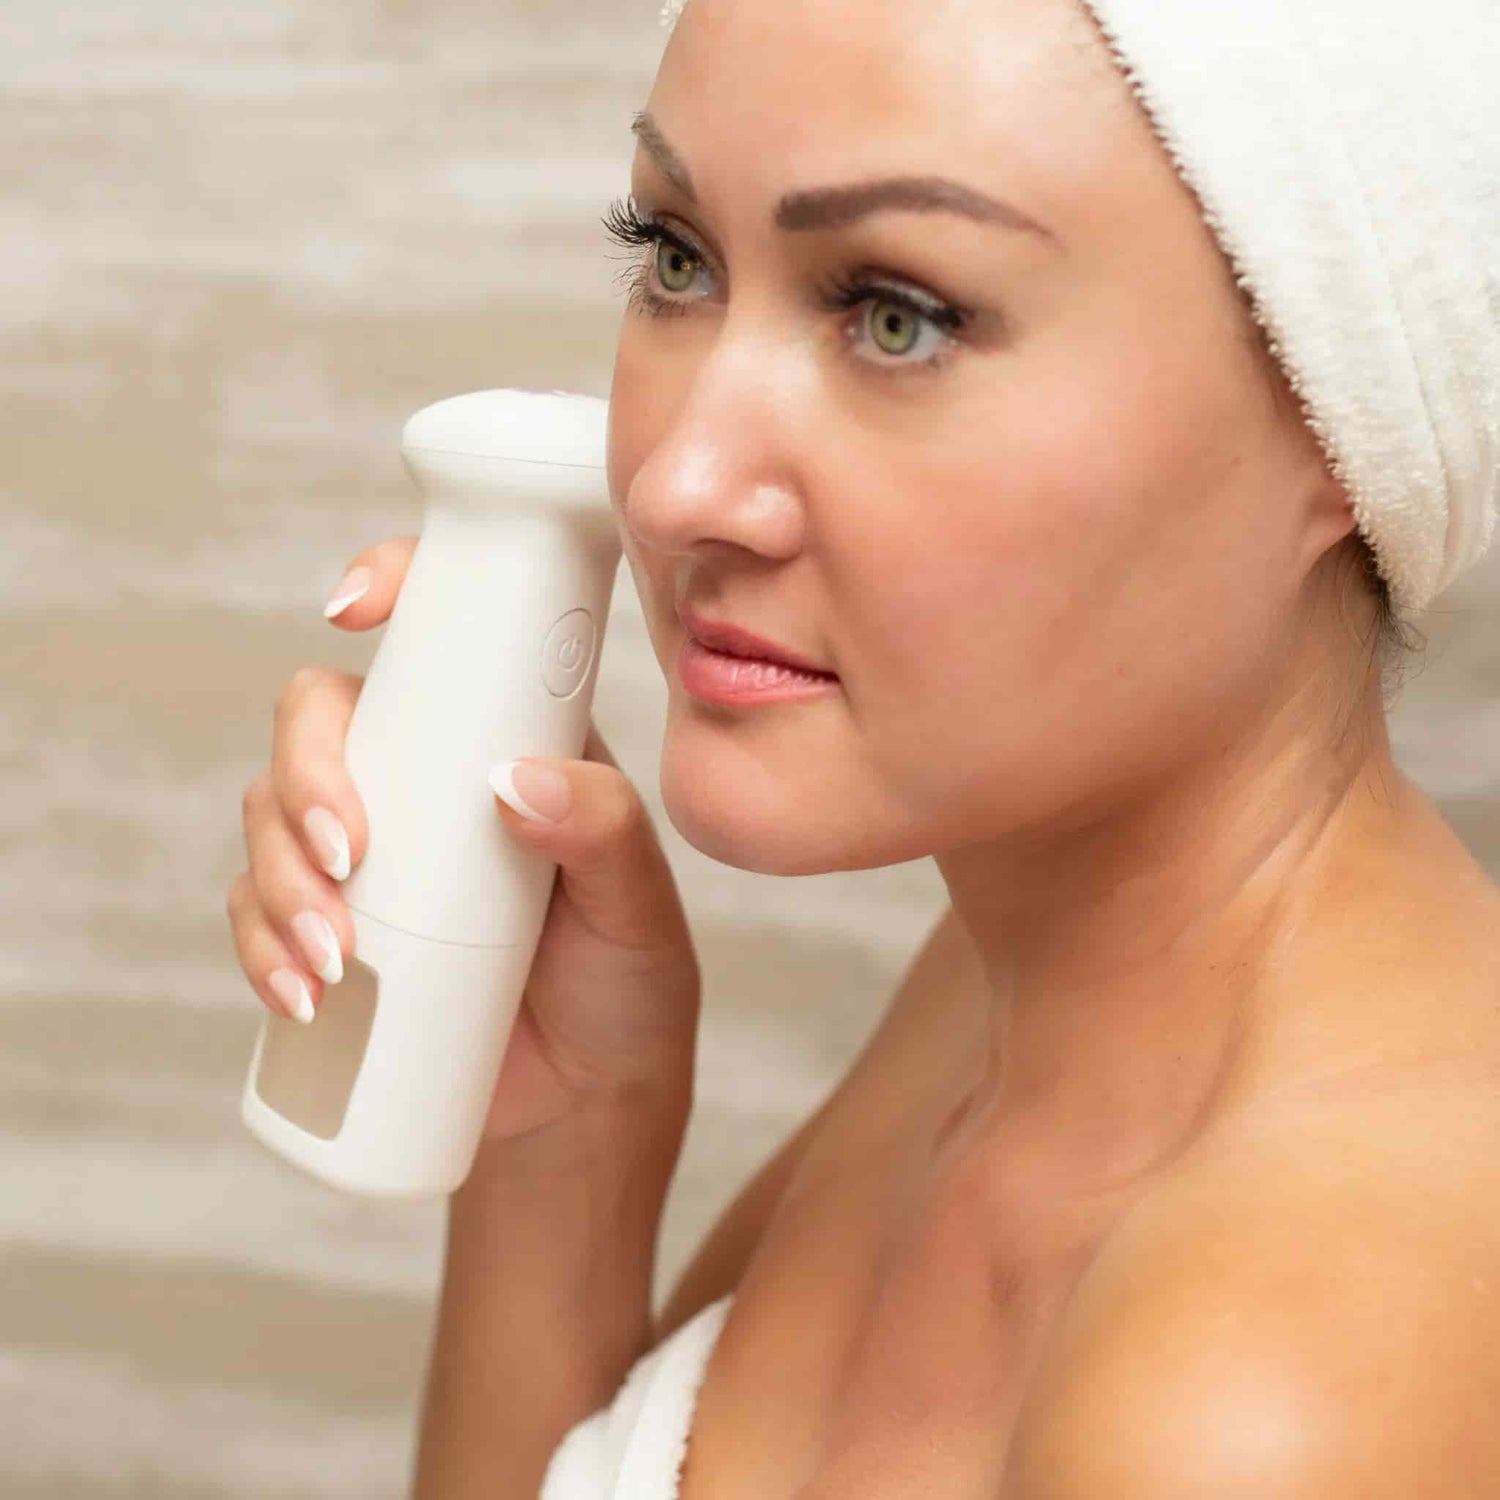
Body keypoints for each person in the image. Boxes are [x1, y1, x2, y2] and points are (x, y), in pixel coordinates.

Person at [225, 0, 1499, 1493]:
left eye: (899, 315)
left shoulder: (1270, 1394)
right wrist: (564, 1134)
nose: (682, 478)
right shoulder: (1017, 989)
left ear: (1332, 422)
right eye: (677, 256)